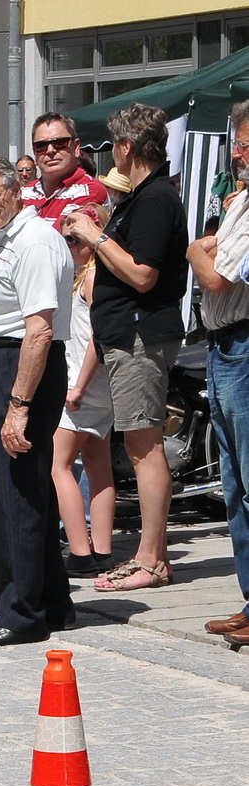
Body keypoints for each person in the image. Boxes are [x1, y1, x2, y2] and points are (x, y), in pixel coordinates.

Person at [60, 103, 186, 593]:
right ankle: (154, 557)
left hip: (140, 334)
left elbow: (142, 273)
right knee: (139, 445)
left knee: (143, 447)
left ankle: (151, 560)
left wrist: (94, 234)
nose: (111, 153)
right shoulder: (142, 197)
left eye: (114, 145)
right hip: (126, 334)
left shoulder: (154, 197)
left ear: (128, 146)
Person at [0, 154, 74, 645]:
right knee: (19, 490)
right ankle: (49, 600)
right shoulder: (8, 239)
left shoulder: (35, 242)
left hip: (18, 367)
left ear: (16, 189)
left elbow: (39, 329)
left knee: (14, 495)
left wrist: (19, 404)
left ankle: (20, 612)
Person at [190, 98, 249, 644]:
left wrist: (195, 250)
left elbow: (218, 279)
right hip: (223, 346)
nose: (239, 153)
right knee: (232, 484)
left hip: (244, 345)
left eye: (247, 144)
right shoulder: (240, 202)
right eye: (238, 144)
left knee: (248, 483)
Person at [54, 205, 116, 577]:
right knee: (98, 463)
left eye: (77, 238)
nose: (70, 244)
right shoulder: (86, 275)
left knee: (58, 465)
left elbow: (97, 337)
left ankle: (79, 551)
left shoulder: (92, 278)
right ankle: (102, 549)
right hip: (93, 382)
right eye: (66, 238)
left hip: (82, 381)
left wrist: (78, 385)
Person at [25, 113, 109, 223]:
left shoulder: (90, 190)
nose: (50, 150)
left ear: (76, 147)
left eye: (59, 143)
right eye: (41, 146)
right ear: (34, 153)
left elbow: (59, 236)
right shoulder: (24, 192)